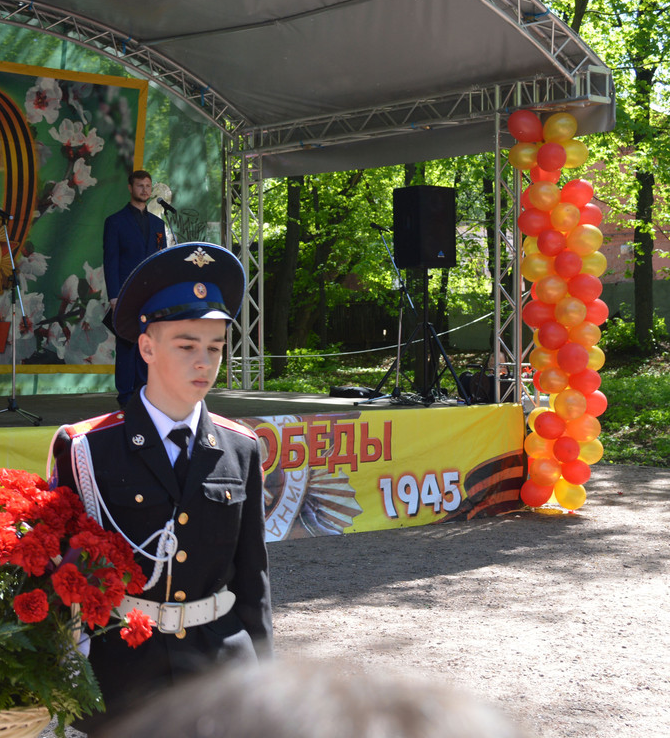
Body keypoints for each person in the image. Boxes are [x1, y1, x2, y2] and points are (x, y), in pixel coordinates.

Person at [50, 242, 272, 735]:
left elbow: (252, 578)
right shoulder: (88, 448)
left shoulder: (241, 448)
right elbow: (59, 569)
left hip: (219, 666)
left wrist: (268, 681)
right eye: (187, 345)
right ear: (147, 347)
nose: (205, 362)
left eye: (215, 347)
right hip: (125, 671)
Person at [107, 656, 534, 738]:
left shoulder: (237, 446)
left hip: (218, 642)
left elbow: (251, 568)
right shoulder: (86, 446)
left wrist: (261, 665)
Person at [103, 169, 168, 407]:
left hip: (151, 294)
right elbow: (111, 261)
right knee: (127, 343)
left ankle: (145, 394)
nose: (144, 190)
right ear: (130, 188)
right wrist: (114, 295)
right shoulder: (115, 221)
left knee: (149, 341)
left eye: (148, 186)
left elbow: (162, 261)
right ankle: (125, 397)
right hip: (126, 292)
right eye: (140, 186)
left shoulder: (158, 223)